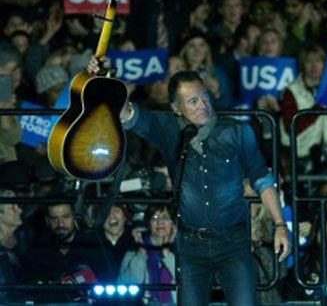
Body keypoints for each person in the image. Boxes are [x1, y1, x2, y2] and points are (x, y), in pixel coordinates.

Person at [87, 57, 289, 306]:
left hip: (233, 243)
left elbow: (262, 178)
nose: (203, 105)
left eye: (205, 97)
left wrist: (280, 225)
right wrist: (105, 81)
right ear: (176, 107)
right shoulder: (167, 128)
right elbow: (126, 113)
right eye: (192, 102)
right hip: (191, 246)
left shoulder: (237, 131)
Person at [119, 205, 177, 304]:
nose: (160, 222)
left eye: (165, 218)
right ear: (149, 224)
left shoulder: (185, 252)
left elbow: (188, 285)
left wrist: (166, 252)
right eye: (154, 218)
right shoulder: (132, 254)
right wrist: (141, 252)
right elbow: (127, 285)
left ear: (173, 223)